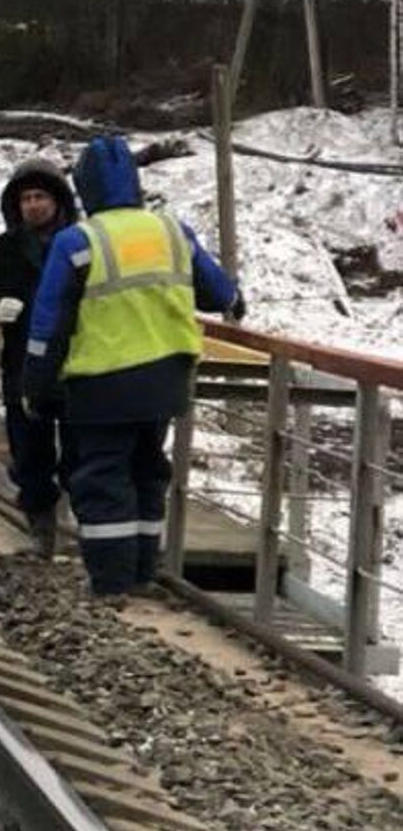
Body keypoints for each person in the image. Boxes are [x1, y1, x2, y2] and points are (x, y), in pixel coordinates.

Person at [21, 135, 244, 600]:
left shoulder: (78, 241)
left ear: (85, 189)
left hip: (102, 383)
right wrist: (234, 301)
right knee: (148, 473)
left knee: (102, 477)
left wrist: (36, 385)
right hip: (166, 380)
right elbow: (218, 292)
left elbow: (48, 322)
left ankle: (111, 583)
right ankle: (143, 573)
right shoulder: (172, 232)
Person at [0, 158, 79, 556]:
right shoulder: (3, 249)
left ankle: (87, 534)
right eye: (26, 199)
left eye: (40, 197)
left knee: (80, 453)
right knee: (29, 452)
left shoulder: (82, 245)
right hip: (21, 365)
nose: (33, 206)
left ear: (58, 200)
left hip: (75, 363)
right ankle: (41, 527)